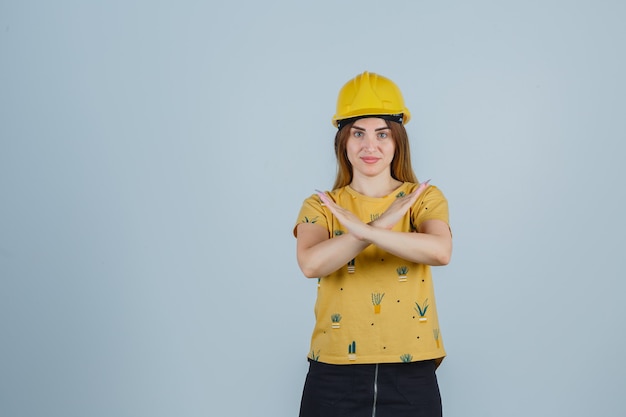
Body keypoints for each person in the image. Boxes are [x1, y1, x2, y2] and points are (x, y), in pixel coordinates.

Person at [294, 71, 453, 417]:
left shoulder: (421, 198)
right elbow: (311, 263)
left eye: (382, 134)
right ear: (343, 142)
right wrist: (379, 224)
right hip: (333, 369)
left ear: (397, 141)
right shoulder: (321, 205)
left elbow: (440, 251)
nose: (370, 146)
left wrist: (362, 231)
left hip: (411, 369)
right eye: (358, 134)